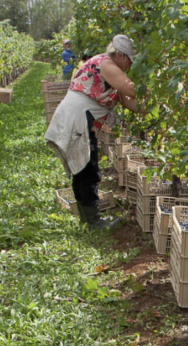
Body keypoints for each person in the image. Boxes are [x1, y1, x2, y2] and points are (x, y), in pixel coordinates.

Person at [45, 34, 145, 229]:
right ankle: (93, 221)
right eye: (130, 61)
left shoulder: (110, 71)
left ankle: (88, 218)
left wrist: (157, 108)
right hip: (77, 119)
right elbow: (131, 90)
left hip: (80, 120)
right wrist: (161, 91)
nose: (130, 67)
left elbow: (128, 102)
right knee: (87, 169)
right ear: (122, 56)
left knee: (82, 168)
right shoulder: (106, 64)